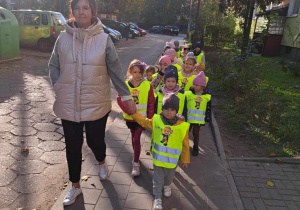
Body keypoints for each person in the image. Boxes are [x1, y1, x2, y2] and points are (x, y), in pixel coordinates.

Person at [48, 0, 136, 206]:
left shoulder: (104, 39)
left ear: (93, 11)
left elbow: (115, 70)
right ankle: (75, 186)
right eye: (77, 8)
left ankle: (101, 161)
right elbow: (53, 64)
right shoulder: (62, 38)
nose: (81, 12)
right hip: (68, 104)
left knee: (95, 141)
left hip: (96, 103)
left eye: (85, 8)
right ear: (72, 12)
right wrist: (58, 87)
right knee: (72, 147)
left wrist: (127, 97)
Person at [130, 93, 190, 210]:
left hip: (172, 161)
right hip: (158, 159)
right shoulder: (157, 120)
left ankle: (167, 186)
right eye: (166, 109)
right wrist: (135, 114)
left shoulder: (181, 126)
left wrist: (185, 159)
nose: (168, 112)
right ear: (162, 109)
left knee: (169, 177)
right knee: (158, 179)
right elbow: (144, 122)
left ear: (176, 111)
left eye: (172, 109)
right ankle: (157, 198)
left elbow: (185, 144)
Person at [117, 59, 155, 176]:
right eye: (134, 72)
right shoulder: (125, 85)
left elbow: (151, 102)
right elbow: (120, 99)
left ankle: (136, 163)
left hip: (141, 119)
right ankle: (136, 155)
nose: (137, 75)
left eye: (139, 72)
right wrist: (130, 112)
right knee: (133, 136)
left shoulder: (147, 85)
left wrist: (149, 118)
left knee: (136, 138)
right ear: (130, 72)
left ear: (143, 73)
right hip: (129, 118)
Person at [185, 72, 211, 156]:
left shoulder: (206, 97)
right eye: (193, 84)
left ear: (202, 86)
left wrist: (208, 117)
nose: (194, 86)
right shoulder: (188, 94)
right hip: (188, 119)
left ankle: (195, 147)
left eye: (196, 85)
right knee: (185, 133)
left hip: (198, 120)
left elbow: (208, 108)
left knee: (196, 134)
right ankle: (183, 147)